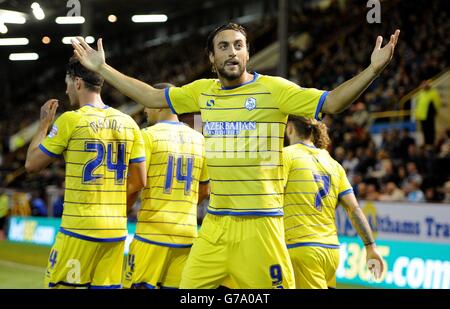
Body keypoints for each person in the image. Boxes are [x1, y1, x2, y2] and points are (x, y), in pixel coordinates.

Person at [72, 23, 399, 288]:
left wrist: (372, 70)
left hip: (261, 227)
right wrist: (104, 69)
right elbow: (152, 95)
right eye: (224, 46)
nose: (232, 51)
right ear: (212, 59)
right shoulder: (202, 92)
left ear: (247, 54)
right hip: (215, 226)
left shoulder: (275, 90)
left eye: (239, 45)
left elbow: (332, 104)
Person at [24, 56, 146, 289]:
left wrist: (43, 126)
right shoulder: (129, 123)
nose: (66, 89)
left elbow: (31, 164)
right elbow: (140, 181)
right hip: (116, 232)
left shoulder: (71, 120)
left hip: (78, 230)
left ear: (78, 83)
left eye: (67, 83)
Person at [123, 83, 210, 289]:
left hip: (152, 234)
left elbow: (135, 184)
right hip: (187, 236)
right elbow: (205, 190)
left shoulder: (148, 136)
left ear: (161, 104)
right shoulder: (200, 140)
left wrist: (121, 211)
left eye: (149, 103)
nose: (145, 108)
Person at [283, 116, 384, 289]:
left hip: (302, 248)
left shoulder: (286, 156)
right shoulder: (334, 164)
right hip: (331, 252)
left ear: (290, 128)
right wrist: (370, 247)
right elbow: (354, 209)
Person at [415, 80, 442, 146]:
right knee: (424, 130)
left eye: (425, 84)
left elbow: (438, 103)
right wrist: (417, 114)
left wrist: (434, 112)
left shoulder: (433, 93)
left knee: (430, 130)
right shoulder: (421, 93)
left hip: (429, 115)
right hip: (422, 115)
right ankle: (427, 143)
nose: (423, 86)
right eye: (423, 84)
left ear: (428, 85)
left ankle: (431, 144)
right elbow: (418, 104)